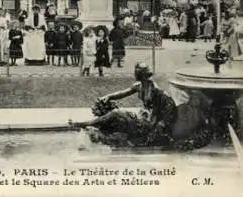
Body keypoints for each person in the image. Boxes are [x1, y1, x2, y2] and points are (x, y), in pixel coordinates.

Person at [70, 63, 212, 150]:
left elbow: (165, 110)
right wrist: (108, 97)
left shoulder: (155, 90)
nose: (135, 74)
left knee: (116, 114)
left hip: (150, 122)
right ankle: (92, 127)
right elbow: (122, 93)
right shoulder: (139, 86)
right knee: (116, 115)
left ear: (142, 74)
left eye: (137, 72)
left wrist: (154, 125)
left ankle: (84, 124)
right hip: (145, 117)